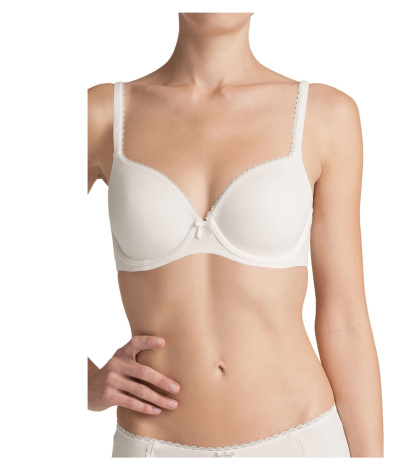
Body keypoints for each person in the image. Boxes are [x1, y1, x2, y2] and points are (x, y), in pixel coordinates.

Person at [87, 12, 383, 458]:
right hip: (152, 449)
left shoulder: (325, 115)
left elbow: (346, 321)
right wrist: (84, 382)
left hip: (302, 443)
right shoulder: (101, 114)